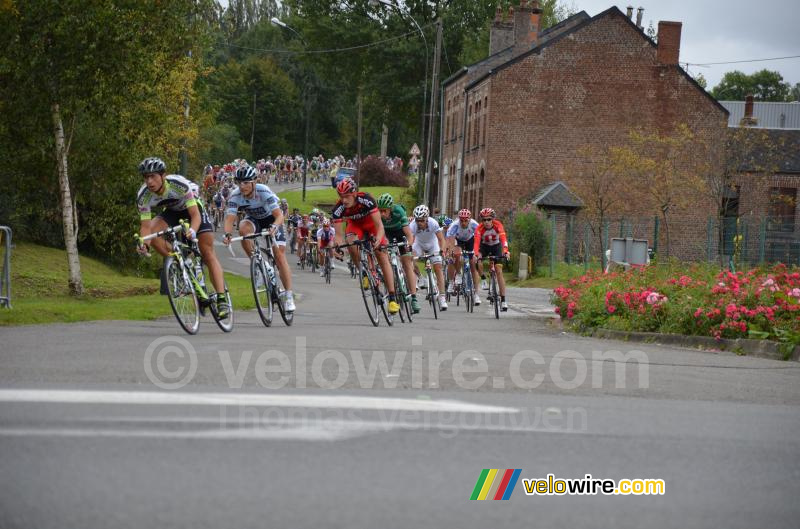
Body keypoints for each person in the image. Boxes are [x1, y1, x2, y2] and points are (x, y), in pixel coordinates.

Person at [135, 157, 229, 317]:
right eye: (146, 177)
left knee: (207, 252)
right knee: (153, 234)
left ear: (163, 175)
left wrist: (193, 230)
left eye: (153, 176)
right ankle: (181, 262)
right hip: (172, 211)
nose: (149, 181)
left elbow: (195, 215)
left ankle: (221, 299)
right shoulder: (143, 196)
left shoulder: (178, 185)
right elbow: (145, 227)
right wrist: (144, 244)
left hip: (193, 208)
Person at [221, 166, 295, 312]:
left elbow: (279, 215)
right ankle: (260, 266)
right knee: (243, 230)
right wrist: (227, 234)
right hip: (253, 220)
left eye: (246, 182)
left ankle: (288, 295)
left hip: (272, 220)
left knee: (279, 256)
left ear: (254, 182)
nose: (242, 186)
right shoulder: (235, 195)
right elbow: (230, 219)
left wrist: (274, 226)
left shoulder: (263, 191)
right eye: (239, 182)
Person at [331, 178, 400, 315]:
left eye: (347, 196)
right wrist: (337, 248)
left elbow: (379, 225)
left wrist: (379, 239)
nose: (344, 200)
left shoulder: (366, 199)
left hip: (371, 224)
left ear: (354, 193)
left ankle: (392, 298)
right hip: (355, 225)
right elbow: (338, 235)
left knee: (381, 255)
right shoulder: (338, 209)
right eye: (341, 197)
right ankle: (364, 272)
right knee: (350, 241)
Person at [376, 193, 420, 313]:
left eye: (384, 211)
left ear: (390, 208)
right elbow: (379, 233)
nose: (382, 214)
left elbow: (409, 234)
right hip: (387, 235)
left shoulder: (399, 211)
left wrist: (408, 245)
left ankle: (414, 297)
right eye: (380, 211)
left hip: (401, 234)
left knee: (406, 262)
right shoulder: (378, 216)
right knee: (386, 261)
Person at [410, 204, 448, 311]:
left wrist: (442, 251)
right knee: (410, 259)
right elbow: (411, 240)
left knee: (438, 267)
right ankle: (421, 278)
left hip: (433, 244)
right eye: (417, 220)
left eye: (422, 220)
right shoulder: (413, 225)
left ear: (426, 218)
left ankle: (442, 297)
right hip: (419, 244)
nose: (419, 223)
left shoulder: (433, 223)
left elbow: (441, 240)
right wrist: (409, 251)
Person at [474, 207, 510, 311]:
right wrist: (476, 254)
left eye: (489, 219)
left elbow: (503, 239)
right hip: (484, 246)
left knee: (499, 271)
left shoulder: (498, 225)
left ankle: (503, 300)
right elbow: (476, 243)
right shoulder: (479, 228)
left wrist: (506, 251)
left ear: (492, 219)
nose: (486, 222)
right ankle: (483, 278)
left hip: (496, 246)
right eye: (484, 220)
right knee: (477, 259)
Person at [445, 208, 482, 305]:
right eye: (462, 220)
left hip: (470, 241)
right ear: (459, 219)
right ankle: (457, 275)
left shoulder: (474, 224)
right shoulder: (454, 225)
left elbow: (480, 238)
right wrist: (451, 250)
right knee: (457, 255)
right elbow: (449, 240)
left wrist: (477, 252)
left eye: (466, 220)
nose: (464, 223)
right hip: (458, 241)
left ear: (469, 220)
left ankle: (476, 294)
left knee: (473, 265)